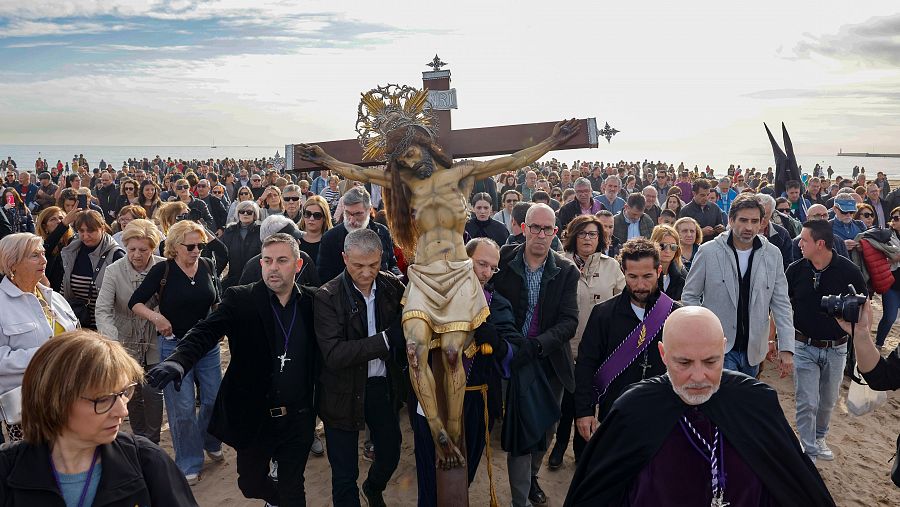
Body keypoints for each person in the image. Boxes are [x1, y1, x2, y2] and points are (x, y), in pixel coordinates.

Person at [564, 306, 835, 506]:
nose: (697, 377)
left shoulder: (754, 401)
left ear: (724, 349)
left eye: (710, 362)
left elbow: (794, 486)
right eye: (683, 363)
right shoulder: (635, 408)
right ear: (663, 354)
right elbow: (597, 493)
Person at [147, 233, 318, 505]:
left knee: (293, 488)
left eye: (282, 261)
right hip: (255, 416)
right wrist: (179, 360)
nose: (273, 267)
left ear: (298, 266)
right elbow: (206, 330)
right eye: (267, 260)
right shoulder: (241, 299)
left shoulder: (313, 303)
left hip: (298, 416)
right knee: (250, 484)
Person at [0, 331, 198, 505]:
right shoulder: (6, 471)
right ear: (54, 400)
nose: (122, 411)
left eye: (124, 393)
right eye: (103, 399)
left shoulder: (148, 464)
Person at [412, 237, 518, 506]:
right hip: (432, 400)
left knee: (460, 477)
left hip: (474, 401)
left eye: (492, 268)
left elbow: (513, 352)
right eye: (481, 263)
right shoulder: (430, 294)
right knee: (429, 474)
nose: (486, 272)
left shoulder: (497, 304)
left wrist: (493, 338)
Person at [492, 203, 579, 506]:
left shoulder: (566, 270)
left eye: (547, 229)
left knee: (547, 427)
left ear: (555, 232)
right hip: (511, 359)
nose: (540, 234)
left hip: (548, 359)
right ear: (523, 228)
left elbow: (569, 321)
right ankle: (521, 494)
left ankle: (532, 477)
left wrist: (539, 344)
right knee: (519, 428)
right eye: (535, 228)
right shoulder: (503, 259)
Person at [313, 229, 405, 507]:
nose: (366, 273)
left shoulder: (391, 287)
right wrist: (387, 339)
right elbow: (335, 354)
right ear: (344, 258)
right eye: (358, 266)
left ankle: (373, 487)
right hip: (340, 392)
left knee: (390, 453)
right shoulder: (326, 296)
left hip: (381, 389)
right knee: (344, 475)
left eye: (374, 265)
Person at [128, 219, 224, 484]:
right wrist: (156, 318)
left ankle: (208, 437)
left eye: (201, 245)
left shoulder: (206, 265)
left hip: (207, 345)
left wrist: (219, 323)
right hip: (174, 347)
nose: (196, 250)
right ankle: (189, 461)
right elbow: (134, 302)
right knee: (181, 409)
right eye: (190, 246)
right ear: (175, 246)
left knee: (215, 399)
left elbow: (216, 299)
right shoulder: (163, 270)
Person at [682, 194, 795, 378]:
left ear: (762, 223)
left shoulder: (773, 255)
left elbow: (781, 303)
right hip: (718, 348)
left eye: (754, 221)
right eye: (743, 220)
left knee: (745, 404)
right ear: (731, 220)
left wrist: (787, 347)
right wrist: (702, 333)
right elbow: (690, 296)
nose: (749, 227)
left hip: (754, 351)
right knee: (725, 403)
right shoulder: (708, 251)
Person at [785, 219, 866, 462]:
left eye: (804, 240)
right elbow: (780, 307)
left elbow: (865, 306)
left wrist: (862, 342)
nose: (799, 243)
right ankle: (808, 447)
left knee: (828, 401)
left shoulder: (849, 271)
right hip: (803, 345)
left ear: (820, 244)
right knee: (807, 401)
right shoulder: (795, 270)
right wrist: (775, 343)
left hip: (837, 348)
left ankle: (820, 436)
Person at [550, 215, 624, 469]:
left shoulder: (612, 266)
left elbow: (621, 305)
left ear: (600, 238)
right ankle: (559, 445)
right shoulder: (559, 263)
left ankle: (582, 452)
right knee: (567, 404)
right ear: (573, 235)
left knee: (587, 403)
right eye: (582, 233)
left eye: (593, 234)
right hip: (565, 348)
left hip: (598, 352)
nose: (587, 239)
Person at [0, 233, 79, 442]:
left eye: (43, 254)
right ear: (12, 263)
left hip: (70, 399)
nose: (44, 260)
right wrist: (47, 355)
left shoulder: (55, 297)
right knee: (36, 469)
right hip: (27, 408)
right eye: (34, 255)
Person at [94, 219, 165, 444]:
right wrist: (112, 340)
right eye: (131, 249)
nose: (136, 254)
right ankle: (140, 437)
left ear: (152, 248)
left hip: (155, 335)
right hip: (124, 336)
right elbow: (103, 309)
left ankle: (152, 441)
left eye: (143, 250)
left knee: (153, 391)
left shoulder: (164, 267)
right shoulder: (114, 271)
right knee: (130, 392)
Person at [315, 187, 398, 283]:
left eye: (358, 214)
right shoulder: (330, 238)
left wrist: (398, 278)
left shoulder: (383, 232)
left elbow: (392, 265)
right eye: (348, 213)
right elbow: (323, 278)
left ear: (369, 210)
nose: (352, 220)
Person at [60, 210, 125, 329]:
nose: (85, 236)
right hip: (75, 323)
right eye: (81, 231)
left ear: (102, 229)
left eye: (91, 231)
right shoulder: (72, 250)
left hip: (105, 326)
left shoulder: (116, 255)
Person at [873, 206, 900, 347]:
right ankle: (879, 343)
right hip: (891, 284)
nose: (895, 221)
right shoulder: (886, 235)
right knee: (889, 317)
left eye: (898, 218)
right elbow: (879, 256)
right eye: (894, 218)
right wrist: (892, 259)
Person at [220, 200, 262, 290]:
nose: (245, 214)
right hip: (233, 278)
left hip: (255, 280)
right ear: (238, 214)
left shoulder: (261, 231)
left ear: (255, 215)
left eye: (249, 212)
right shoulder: (230, 231)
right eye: (242, 212)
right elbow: (222, 255)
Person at [35, 206, 75, 291]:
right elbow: (48, 246)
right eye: (53, 219)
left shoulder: (73, 243)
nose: (59, 221)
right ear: (45, 227)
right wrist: (63, 225)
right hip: (51, 293)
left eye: (61, 218)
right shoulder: (39, 246)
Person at [678, 178, 724, 242]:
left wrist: (721, 228)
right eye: (702, 195)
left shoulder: (715, 208)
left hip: (713, 247)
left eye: (707, 195)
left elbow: (721, 228)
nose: (706, 198)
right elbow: (680, 235)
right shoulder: (685, 211)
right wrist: (701, 232)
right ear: (694, 194)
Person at [649, 225, 687, 300]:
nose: (668, 251)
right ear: (653, 245)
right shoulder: (644, 273)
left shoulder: (683, 275)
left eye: (673, 247)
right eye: (662, 246)